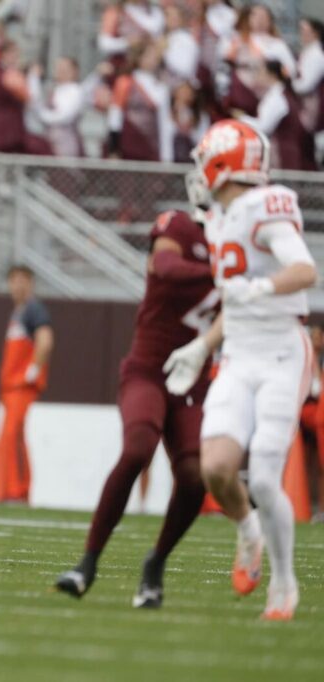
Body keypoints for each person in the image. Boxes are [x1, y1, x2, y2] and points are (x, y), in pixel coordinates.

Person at [162, 119, 317, 620]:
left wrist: (265, 290)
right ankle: (248, 531)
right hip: (238, 353)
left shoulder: (266, 205)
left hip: (279, 353)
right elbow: (236, 298)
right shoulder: (221, 216)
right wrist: (202, 345)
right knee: (216, 468)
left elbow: (304, 268)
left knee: (268, 478)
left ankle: (284, 586)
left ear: (224, 162)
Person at [55, 203, 217, 607]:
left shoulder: (240, 239)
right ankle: (87, 563)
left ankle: (155, 564)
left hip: (194, 378)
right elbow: (164, 265)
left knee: (196, 475)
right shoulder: (179, 224)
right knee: (137, 450)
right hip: (149, 368)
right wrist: (224, 275)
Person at [0, 265, 53, 503]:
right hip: (12, 387)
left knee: (12, 436)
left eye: (23, 280)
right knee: (12, 437)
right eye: (14, 280)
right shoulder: (18, 311)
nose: (18, 285)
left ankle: (17, 490)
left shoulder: (34, 309)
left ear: (31, 283)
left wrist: (33, 370)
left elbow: (45, 341)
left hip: (21, 387)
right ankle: (10, 491)